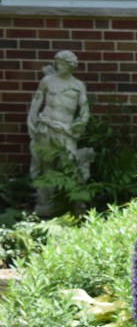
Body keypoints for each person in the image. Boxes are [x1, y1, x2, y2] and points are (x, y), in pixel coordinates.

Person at [28, 50, 91, 215]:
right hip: (46, 125)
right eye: (57, 63)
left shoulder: (77, 85)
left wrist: (80, 123)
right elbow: (36, 103)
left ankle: (74, 202)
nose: (59, 66)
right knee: (47, 164)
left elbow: (84, 109)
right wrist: (32, 123)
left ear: (71, 66)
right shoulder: (48, 81)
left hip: (65, 129)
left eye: (63, 64)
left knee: (70, 164)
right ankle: (45, 203)